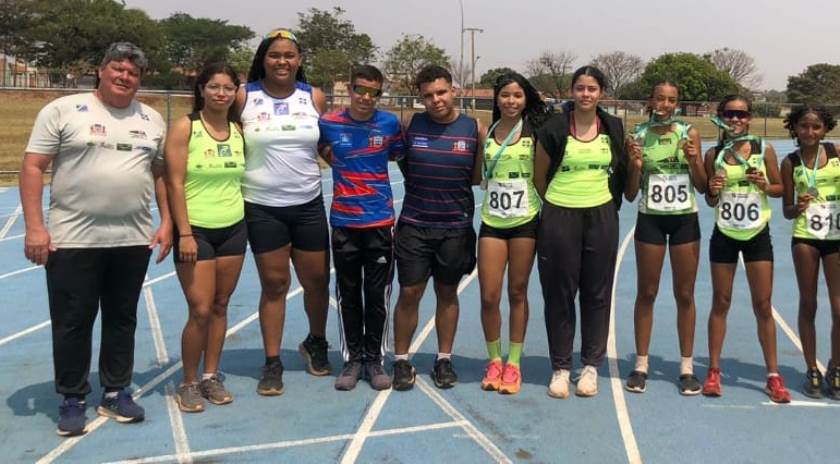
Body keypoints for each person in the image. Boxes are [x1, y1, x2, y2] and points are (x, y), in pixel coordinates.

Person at [20, 42, 171, 436]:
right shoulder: (63, 110)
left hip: (132, 238)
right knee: (73, 322)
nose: (124, 77)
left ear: (140, 80)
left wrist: (168, 221)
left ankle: (115, 391)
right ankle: (72, 397)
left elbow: (159, 175)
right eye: (117, 69)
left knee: (122, 319)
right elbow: (34, 167)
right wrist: (35, 227)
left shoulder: (152, 118)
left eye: (133, 73)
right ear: (101, 70)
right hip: (72, 239)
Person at [234, 28, 331, 396]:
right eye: (275, 55)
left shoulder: (314, 96)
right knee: (274, 285)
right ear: (263, 58)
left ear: (299, 60)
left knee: (317, 281)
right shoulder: (245, 96)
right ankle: (272, 361)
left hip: (307, 205)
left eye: (289, 55)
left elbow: (326, 146)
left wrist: (359, 165)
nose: (282, 61)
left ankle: (315, 342)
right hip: (263, 207)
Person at [534, 66, 627, 399]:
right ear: (572, 92)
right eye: (580, 88)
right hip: (560, 214)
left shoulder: (613, 126)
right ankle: (560, 367)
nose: (585, 94)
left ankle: (590, 366)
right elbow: (539, 176)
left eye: (592, 88)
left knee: (597, 293)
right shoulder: (554, 128)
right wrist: (560, 204)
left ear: (601, 92)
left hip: (601, 215)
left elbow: (622, 172)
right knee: (559, 293)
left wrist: (601, 202)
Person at [391, 65, 485, 390]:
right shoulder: (410, 126)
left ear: (454, 90)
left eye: (441, 92)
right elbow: (406, 167)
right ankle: (401, 361)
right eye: (428, 95)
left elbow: (474, 178)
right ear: (421, 98)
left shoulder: (474, 129)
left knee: (447, 293)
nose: (436, 100)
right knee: (409, 292)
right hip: (415, 224)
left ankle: (444, 358)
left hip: (455, 227)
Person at [165, 63, 247, 412]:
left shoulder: (238, 129)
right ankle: (188, 382)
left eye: (228, 88)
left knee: (220, 305)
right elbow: (173, 182)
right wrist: (183, 232)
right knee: (199, 309)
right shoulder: (186, 127)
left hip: (233, 227)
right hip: (195, 231)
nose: (221, 93)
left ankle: (211, 376)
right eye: (214, 86)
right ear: (201, 89)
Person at [318, 64, 404, 391]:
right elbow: (317, 146)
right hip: (343, 221)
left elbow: (398, 154)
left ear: (380, 94)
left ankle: (374, 358)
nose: (366, 97)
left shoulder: (389, 123)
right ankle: (353, 358)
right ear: (350, 90)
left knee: (377, 294)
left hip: (380, 222)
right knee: (349, 293)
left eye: (374, 92)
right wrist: (335, 158)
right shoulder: (328, 123)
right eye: (360, 90)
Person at [701, 94, 791, 403]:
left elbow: (779, 189)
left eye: (741, 114)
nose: (736, 119)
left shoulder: (763, 150)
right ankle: (713, 371)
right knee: (721, 301)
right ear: (721, 117)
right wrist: (713, 190)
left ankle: (773, 376)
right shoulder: (713, 153)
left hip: (757, 234)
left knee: (763, 305)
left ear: (749, 118)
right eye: (730, 114)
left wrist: (766, 185)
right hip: (725, 233)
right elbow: (710, 199)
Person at [623, 81, 706, 395]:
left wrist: (695, 159)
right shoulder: (638, 136)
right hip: (651, 220)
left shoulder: (689, 134)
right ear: (651, 100)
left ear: (678, 103)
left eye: (672, 99)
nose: (666, 104)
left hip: (685, 219)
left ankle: (686, 367)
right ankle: (641, 364)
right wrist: (635, 165)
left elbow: (701, 185)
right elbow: (630, 194)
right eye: (660, 98)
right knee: (647, 291)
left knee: (685, 294)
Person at [477, 72, 549, 395]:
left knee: (517, 292)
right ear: (496, 98)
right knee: (489, 295)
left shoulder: (536, 132)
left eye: (517, 96)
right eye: (505, 95)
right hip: (492, 221)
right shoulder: (487, 132)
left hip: (525, 220)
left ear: (526, 99)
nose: (511, 101)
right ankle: (494, 359)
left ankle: (514, 362)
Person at [780, 105, 840, 399]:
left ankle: (835, 367)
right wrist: (798, 206)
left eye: (815, 127)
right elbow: (787, 211)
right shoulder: (790, 162)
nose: (809, 132)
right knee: (809, 305)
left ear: (825, 129)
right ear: (795, 128)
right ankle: (811, 369)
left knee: (839, 308)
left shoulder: (837, 153)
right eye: (804, 126)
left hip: (836, 238)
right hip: (805, 237)